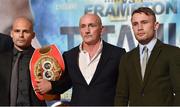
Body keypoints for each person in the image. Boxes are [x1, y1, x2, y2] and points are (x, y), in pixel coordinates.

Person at [35, 13, 126, 106]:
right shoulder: (69, 56)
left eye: (92, 25)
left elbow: (125, 90)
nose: (87, 30)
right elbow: (64, 84)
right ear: (80, 30)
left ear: (101, 29)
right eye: (83, 26)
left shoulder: (118, 54)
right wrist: (51, 85)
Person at [114, 7, 180, 106]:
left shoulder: (172, 53)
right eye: (135, 24)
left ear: (155, 25)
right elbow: (121, 96)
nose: (139, 27)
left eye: (144, 22)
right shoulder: (126, 58)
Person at [0, 17, 46, 106]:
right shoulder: (1, 59)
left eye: (25, 31)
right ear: (11, 34)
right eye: (17, 31)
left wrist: (51, 85)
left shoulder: (42, 58)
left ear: (33, 35)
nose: (21, 35)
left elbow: (60, 84)